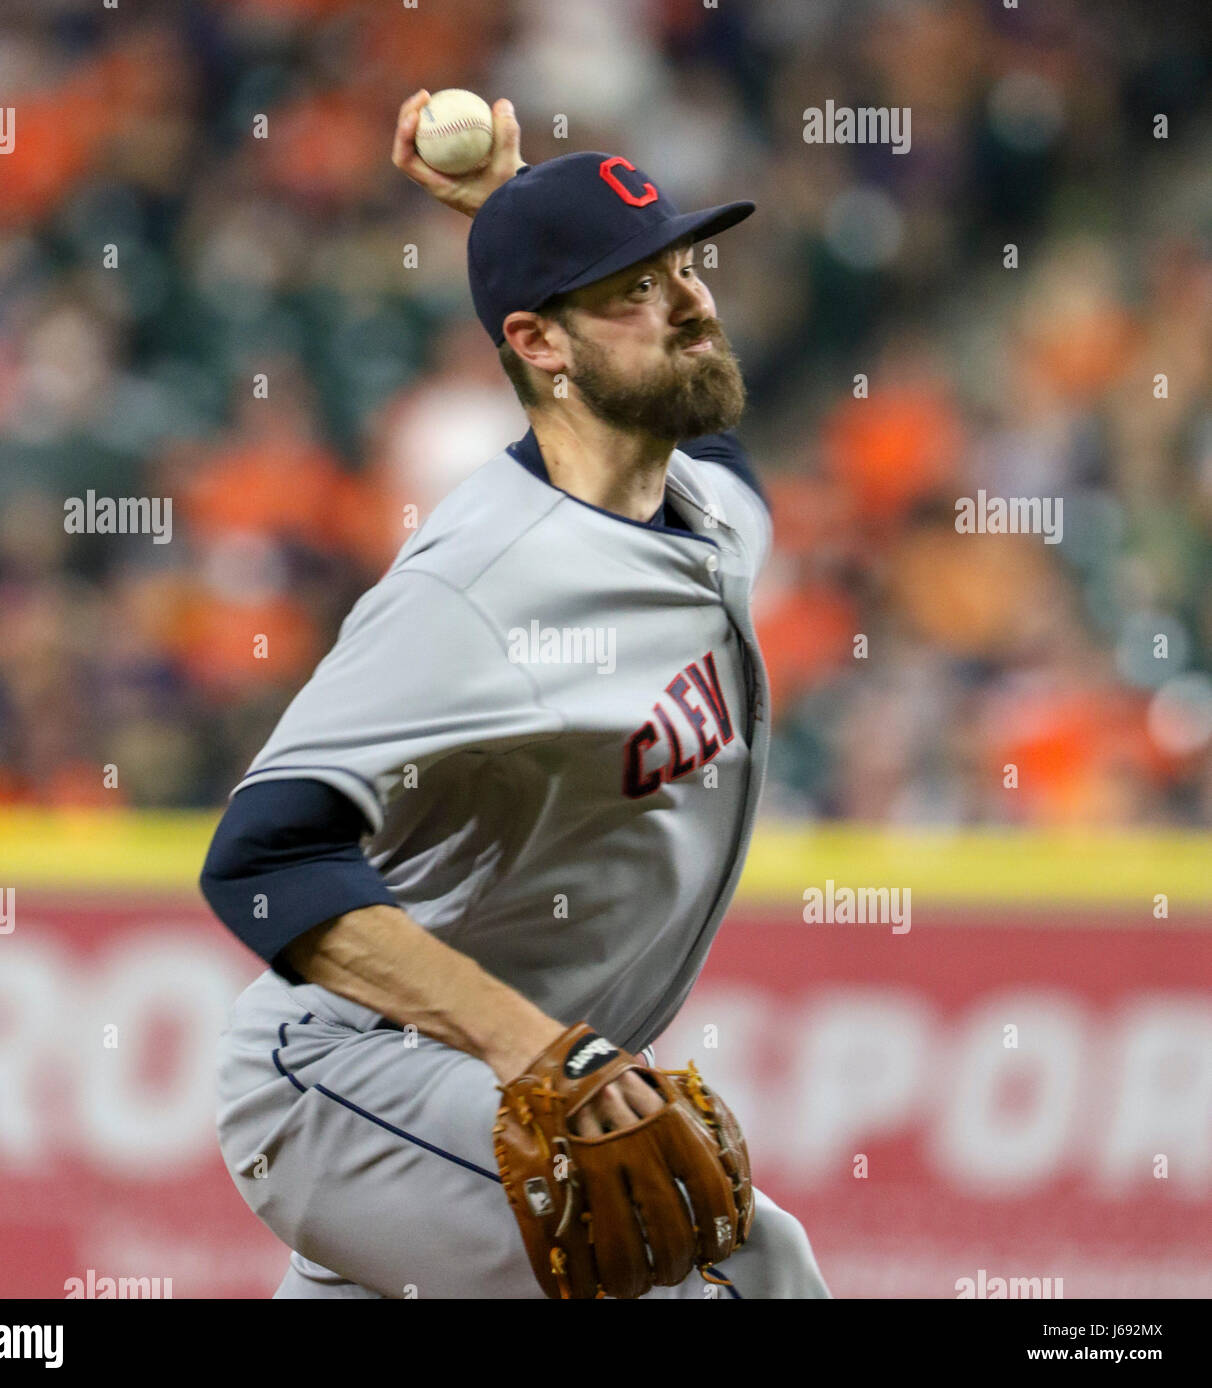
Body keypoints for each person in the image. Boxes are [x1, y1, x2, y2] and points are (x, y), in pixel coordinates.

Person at [199, 90, 830, 1299]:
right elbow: (263, 859)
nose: (693, 303)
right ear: (539, 345)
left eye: (683, 266)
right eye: (636, 288)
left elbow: (703, 432)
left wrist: (517, 208)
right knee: (744, 1266)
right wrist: (539, 1049)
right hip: (354, 1083)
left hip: (470, 1089)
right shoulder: (479, 588)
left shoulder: (703, 509)